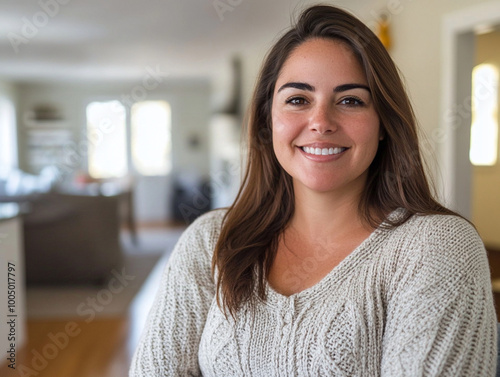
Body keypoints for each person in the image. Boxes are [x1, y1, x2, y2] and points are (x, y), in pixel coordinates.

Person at [130, 5, 497, 376]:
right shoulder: (210, 242)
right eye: (298, 100)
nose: (321, 122)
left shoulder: (437, 248)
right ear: (267, 120)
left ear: (383, 122)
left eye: (351, 100)